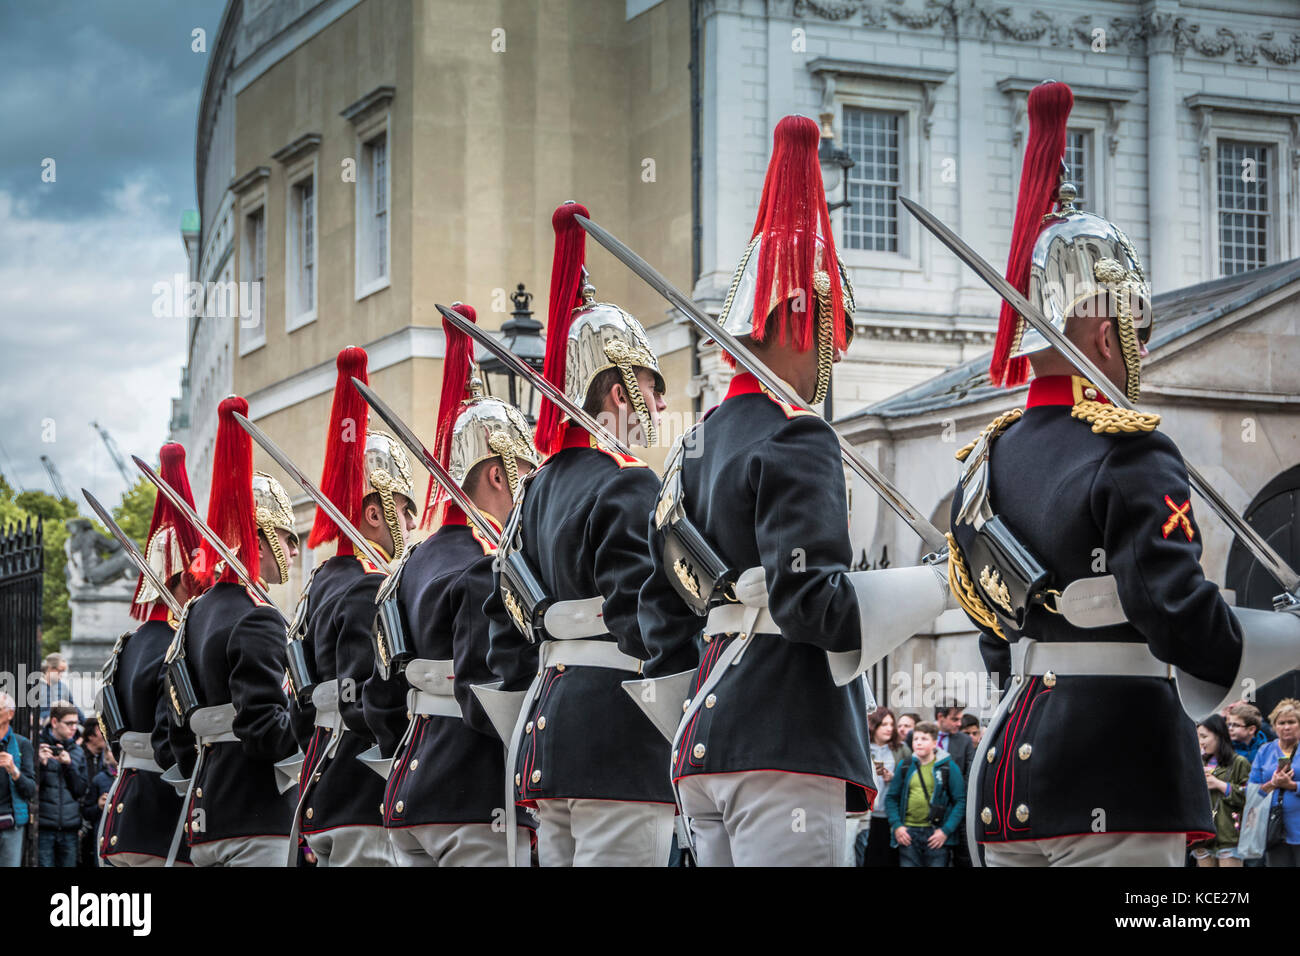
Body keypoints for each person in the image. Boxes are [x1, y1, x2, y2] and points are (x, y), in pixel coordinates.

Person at [945, 81, 1290, 867]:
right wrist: (1281, 638)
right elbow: (1176, 615)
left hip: (1013, 771)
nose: (1141, 342)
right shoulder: (1133, 450)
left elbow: (992, 620)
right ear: (1105, 330)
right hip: (1117, 769)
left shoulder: (991, 454)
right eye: (1137, 326)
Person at [637, 117, 949, 867]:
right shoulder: (798, 434)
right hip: (786, 733)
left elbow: (659, 608)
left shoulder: (696, 441)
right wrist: (935, 589)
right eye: (834, 336)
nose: (831, 363)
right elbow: (815, 602)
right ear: (804, 319)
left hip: (705, 742)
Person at [483, 201, 677, 867]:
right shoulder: (628, 482)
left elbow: (501, 631)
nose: (659, 404)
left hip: (548, 735)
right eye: (651, 387)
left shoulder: (532, 491)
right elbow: (644, 619)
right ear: (616, 393)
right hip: (619, 737)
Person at [363, 305, 540, 865]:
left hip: (408, 793)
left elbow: (379, 696)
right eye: (525, 475)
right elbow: (490, 696)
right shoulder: (487, 565)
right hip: (472, 794)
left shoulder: (405, 567)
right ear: (496, 474)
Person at [287, 347, 416, 867]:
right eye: (404, 511)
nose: (409, 525)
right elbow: (367, 702)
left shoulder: (320, 582)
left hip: (322, 778)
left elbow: (303, 702)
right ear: (372, 513)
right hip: (362, 788)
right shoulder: (369, 586)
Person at [165, 395, 300, 867]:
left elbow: (177, 731)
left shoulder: (194, 616)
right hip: (257, 814)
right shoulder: (259, 615)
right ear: (259, 538)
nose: (293, 550)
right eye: (286, 537)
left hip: (207, 814)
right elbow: (264, 730)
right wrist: (306, 726)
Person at [97, 442, 204, 867]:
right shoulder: (177, 644)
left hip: (123, 811)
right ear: (181, 578)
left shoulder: (130, 643)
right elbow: (173, 737)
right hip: (164, 817)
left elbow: (110, 725)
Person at [885, 721, 965, 867]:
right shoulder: (905, 765)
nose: (919, 743)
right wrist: (897, 826)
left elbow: (960, 801)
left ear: (935, 743)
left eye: (924, 739)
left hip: (936, 834)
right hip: (908, 833)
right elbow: (891, 798)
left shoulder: (948, 767)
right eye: (916, 739)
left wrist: (945, 831)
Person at [1190, 714, 1250, 867]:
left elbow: (1249, 796)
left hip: (1229, 835)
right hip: (1204, 836)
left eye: (1204, 736)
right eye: (1197, 737)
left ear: (1219, 735)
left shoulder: (1238, 762)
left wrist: (1219, 784)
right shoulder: (1198, 762)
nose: (1200, 742)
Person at [1250, 698, 1300, 867]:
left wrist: (1292, 786)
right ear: (1274, 726)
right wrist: (1273, 784)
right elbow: (1252, 791)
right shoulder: (1265, 751)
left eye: (1291, 722)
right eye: (1281, 723)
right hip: (1273, 829)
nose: (1286, 727)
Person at [38, 704, 87, 866]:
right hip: (44, 826)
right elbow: (31, 789)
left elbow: (80, 790)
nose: (74, 728)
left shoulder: (78, 752)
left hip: (69, 827)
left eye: (76, 723)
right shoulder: (38, 746)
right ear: (54, 722)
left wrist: (68, 765)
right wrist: (42, 765)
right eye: (69, 723)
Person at [863, 707, 909, 866]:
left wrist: (893, 778)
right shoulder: (864, 748)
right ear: (873, 726)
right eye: (884, 724)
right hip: (868, 814)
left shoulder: (901, 749)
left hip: (892, 815)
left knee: (891, 858)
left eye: (891, 724)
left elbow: (912, 779)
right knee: (869, 857)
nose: (889, 728)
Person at [0, 691, 36, 868]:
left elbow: (30, 790)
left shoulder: (22, 745)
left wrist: (13, 770)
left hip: (10, 824)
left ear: (10, 714)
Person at [77, 717, 113, 866]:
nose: (105, 734)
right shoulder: (79, 755)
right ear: (91, 735)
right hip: (82, 816)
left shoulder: (103, 761)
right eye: (100, 730)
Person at [37, 653, 82, 725]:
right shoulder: (35, 685)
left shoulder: (63, 687)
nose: (62, 675)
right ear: (50, 668)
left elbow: (73, 707)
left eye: (63, 672)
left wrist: (88, 724)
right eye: (60, 671)